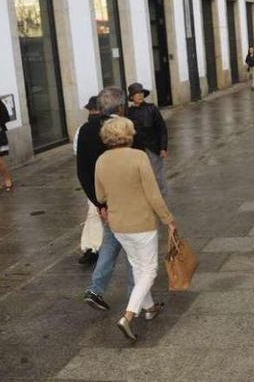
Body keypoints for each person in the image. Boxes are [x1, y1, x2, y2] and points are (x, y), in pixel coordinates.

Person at [95, 116, 177, 341]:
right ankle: (128, 316)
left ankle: (149, 308)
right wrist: (168, 219)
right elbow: (153, 193)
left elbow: (100, 195)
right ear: (128, 134)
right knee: (149, 270)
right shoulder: (139, 157)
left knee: (137, 266)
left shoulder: (101, 160)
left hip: (118, 224)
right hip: (141, 222)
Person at [78, 87, 134, 312]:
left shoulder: (85, 129)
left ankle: (95, 289)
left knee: (111, 242)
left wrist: (99, 203)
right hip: (125, 200)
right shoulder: (123, 128)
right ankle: (137, 298)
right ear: (121, 107)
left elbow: (82, 171)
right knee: (133, 246)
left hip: (102, 199)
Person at [126, 83, 169, 196]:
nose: (140, 96)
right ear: (131, 97)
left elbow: (162, 128)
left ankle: (161, 198)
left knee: (157, 175)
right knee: (140, 175)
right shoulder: (128, 113)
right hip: (137, 149)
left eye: (141, 93)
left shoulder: (152, 109)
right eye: (136, 94)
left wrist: (163, 147)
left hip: (153, 147)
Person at [75, 96, 102, 266]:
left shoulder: (113, 125)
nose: (92, 113)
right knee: (94, 213)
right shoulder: (82, 130)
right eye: (91, 110)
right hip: (95, 179)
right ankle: (91, 248)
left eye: (95, 110)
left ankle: (92, 247)